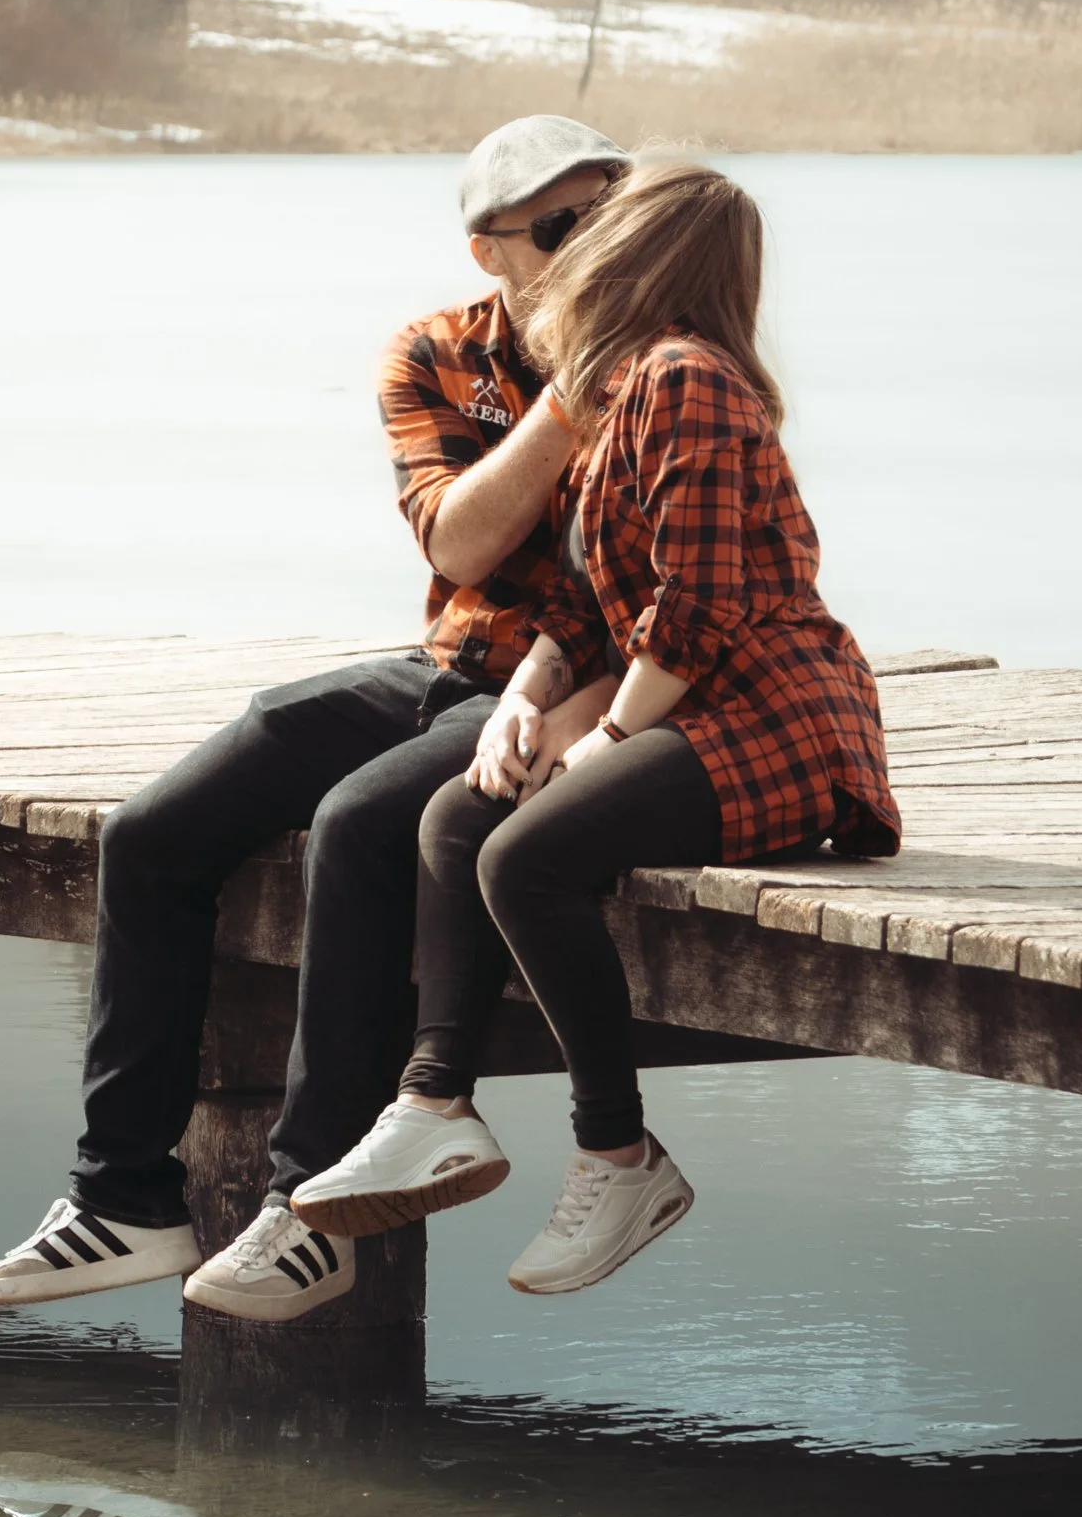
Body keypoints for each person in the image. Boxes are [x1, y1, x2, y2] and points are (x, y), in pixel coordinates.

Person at [0, 114, 627, 1325]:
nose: (595, 244)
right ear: (491, 250)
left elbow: (650, 598)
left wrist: (597, 370)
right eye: (565, 225)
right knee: (153, 833)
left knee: (360, 824)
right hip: (456, 663)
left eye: (611, 215)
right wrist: (562, 400)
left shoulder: (664, 362)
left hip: (585, 692)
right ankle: (123, 1199)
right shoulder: (434, 351)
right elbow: (458, 537)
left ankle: (305, 1206)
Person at [291, 157, 898, 1297]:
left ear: (638, 255)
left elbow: (698, 602)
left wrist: (609, 736)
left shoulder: (689, 380)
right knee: (456, 817)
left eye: (601, 234)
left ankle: (618, 1154)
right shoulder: (621, 391)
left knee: (526, 856)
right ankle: (431, 1105)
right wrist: (524, 701)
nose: (576, 254)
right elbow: (582, 598)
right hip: (701, 710)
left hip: (781, 720)